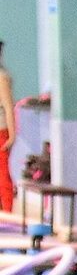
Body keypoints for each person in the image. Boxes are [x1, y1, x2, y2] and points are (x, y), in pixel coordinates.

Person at [0, 40, 16, 214]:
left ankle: (6, 214)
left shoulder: (2, 77)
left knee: (2, 175)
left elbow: (8, 107)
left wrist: (12, 136)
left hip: (1, 132)